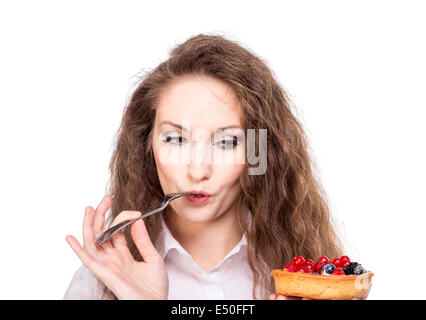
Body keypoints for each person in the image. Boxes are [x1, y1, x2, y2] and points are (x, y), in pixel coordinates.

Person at [64, 33, 343, 300]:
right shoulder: (100, 284)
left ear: (258, 152)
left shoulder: (313, 280)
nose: (197, 172)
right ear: (146, 146)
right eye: (175, 139)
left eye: (226, 142)